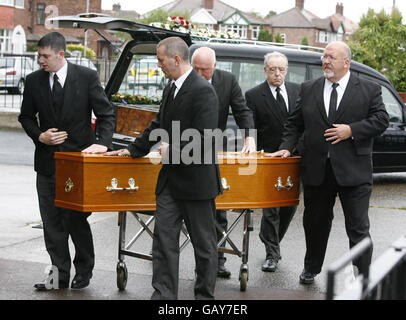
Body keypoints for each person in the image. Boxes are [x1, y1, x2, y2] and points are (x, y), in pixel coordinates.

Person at [106, 37, 222, 300]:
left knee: (204, 246)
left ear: (177, 59)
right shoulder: (171, 88)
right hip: (171, 181)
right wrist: (134, 149)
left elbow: (207, 139)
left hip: (197, 183)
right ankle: (163, 297)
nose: (158, 65)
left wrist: (174, 151)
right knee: (164, 242)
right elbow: (158, 124)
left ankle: (204, 297)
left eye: (160, 60)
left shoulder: (203, 91)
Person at [270, 41, 389, 284]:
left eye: (331, 57)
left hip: (354, 172)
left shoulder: (369, 89)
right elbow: (294, 124)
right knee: (315, 224)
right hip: (317, 171)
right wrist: (285, 148)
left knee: (358, 227)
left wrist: (352, 130)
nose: (325, 61)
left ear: (346, 62)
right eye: (324, 57)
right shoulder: (308, 88)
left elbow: (381, 120)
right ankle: (311, 268)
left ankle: (363, 275)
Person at [18, 32, 115, 290]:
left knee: (75, 220)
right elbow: (25, 117)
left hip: (78, 164)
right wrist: (40, 135)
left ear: (61, 54)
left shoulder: (86, 77)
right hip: (48, 164)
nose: (41, 61)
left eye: (45, 56)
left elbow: (106, 114)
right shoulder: (34, 81)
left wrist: (102, 144)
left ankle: (84, 270)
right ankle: (59, 275)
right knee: (51, 223)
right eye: (39, 56)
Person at [191, 46, 256, 278]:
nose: (199, 74)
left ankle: (217, 260)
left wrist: (249, 135)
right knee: (181, 209)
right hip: (183, 149)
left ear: (215, 67)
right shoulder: (183, 79)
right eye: (195, 68)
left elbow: (242, 110)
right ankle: (169, 254)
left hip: (213, 150)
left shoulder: (227, 81)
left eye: (204, 70)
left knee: (217, 209)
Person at [245, 52, 300, 273]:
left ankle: (271, 238)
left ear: (287, 70)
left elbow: (303, 123)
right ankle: (272, 253)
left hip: (294, 157)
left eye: (281, 69)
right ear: (265, 70)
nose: (277, 74)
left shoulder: (299, 91)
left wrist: (296, 147)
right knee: (271, 209)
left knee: (289, 206)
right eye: (272, 69)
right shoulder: (254, 95)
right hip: (269, 158)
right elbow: (250, 125)